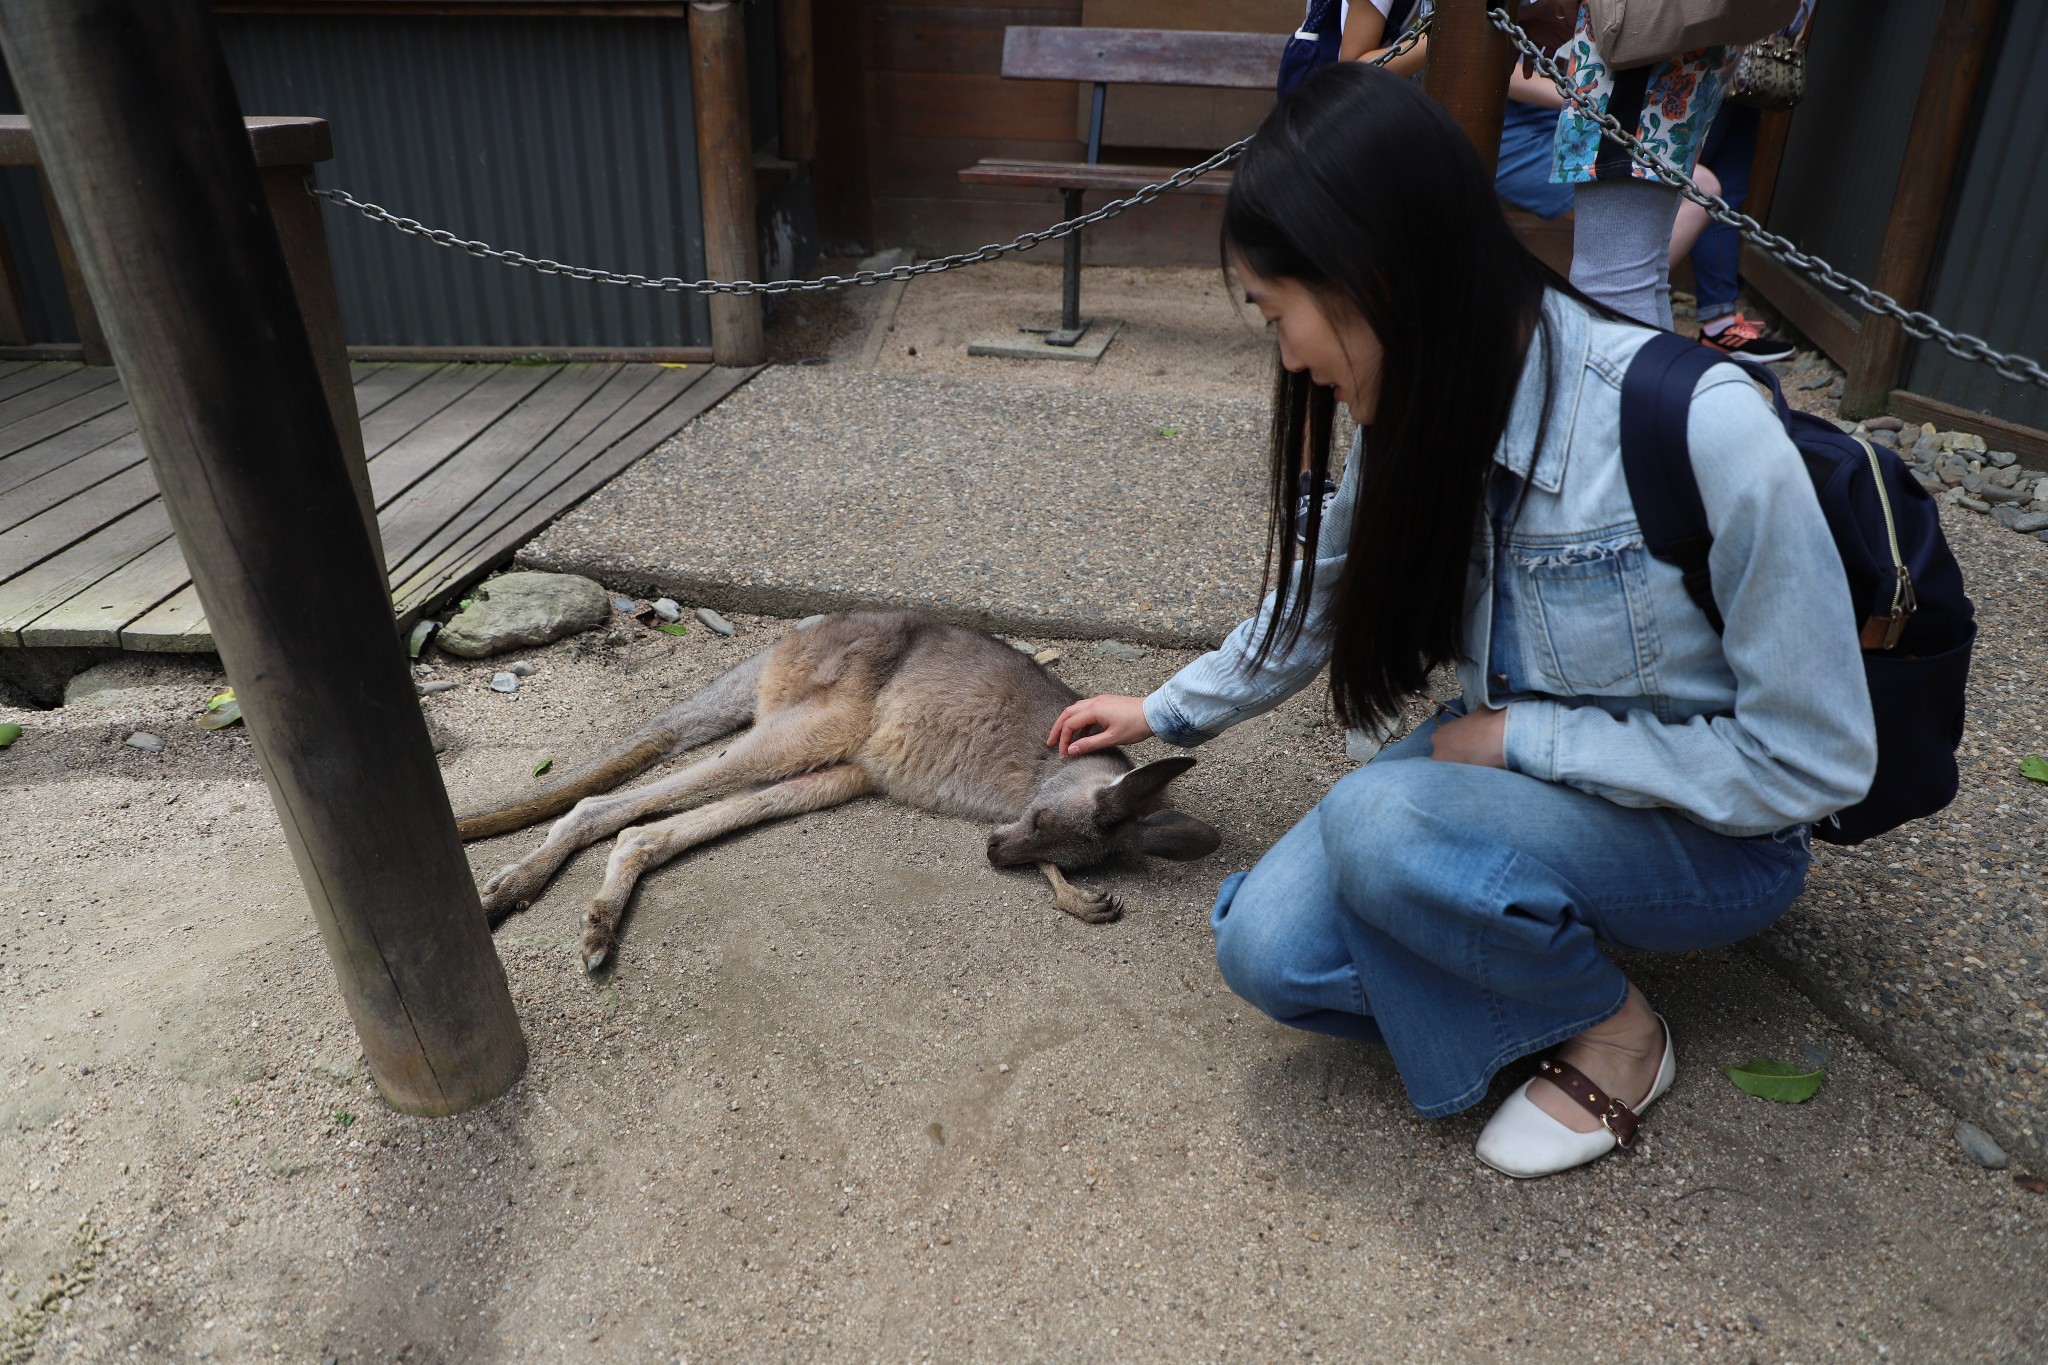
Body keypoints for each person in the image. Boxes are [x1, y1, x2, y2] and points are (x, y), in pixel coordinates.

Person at [1047, 63, 1876, 1178]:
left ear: (1372, 275)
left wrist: (1519, 739)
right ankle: (1502, 957)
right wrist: (1159, 710)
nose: (1285, 354)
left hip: (1710, 837)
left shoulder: (1699, 430)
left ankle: (1618, 1029)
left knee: (1377, 824)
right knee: (1264, 953)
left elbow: (1814, 765)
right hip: (1501, 789)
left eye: (1276, 312)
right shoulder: (1419, 407)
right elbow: (1313, 610)